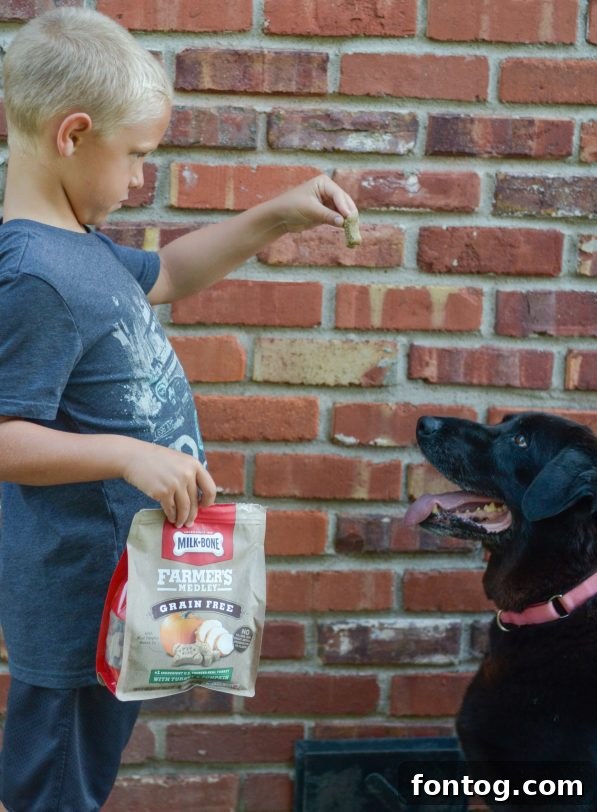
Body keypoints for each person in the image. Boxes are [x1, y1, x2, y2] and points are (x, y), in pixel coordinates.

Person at [0, 7, 357, 811]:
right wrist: (128, 455)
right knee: (54, 789)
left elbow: (164, 274)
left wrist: (275, 214)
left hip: (121, 592)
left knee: (76, 778)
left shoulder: (79, 245)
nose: (136, 181)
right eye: (134, 158)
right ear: (73, 134)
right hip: (74, 608)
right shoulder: (35, 274)